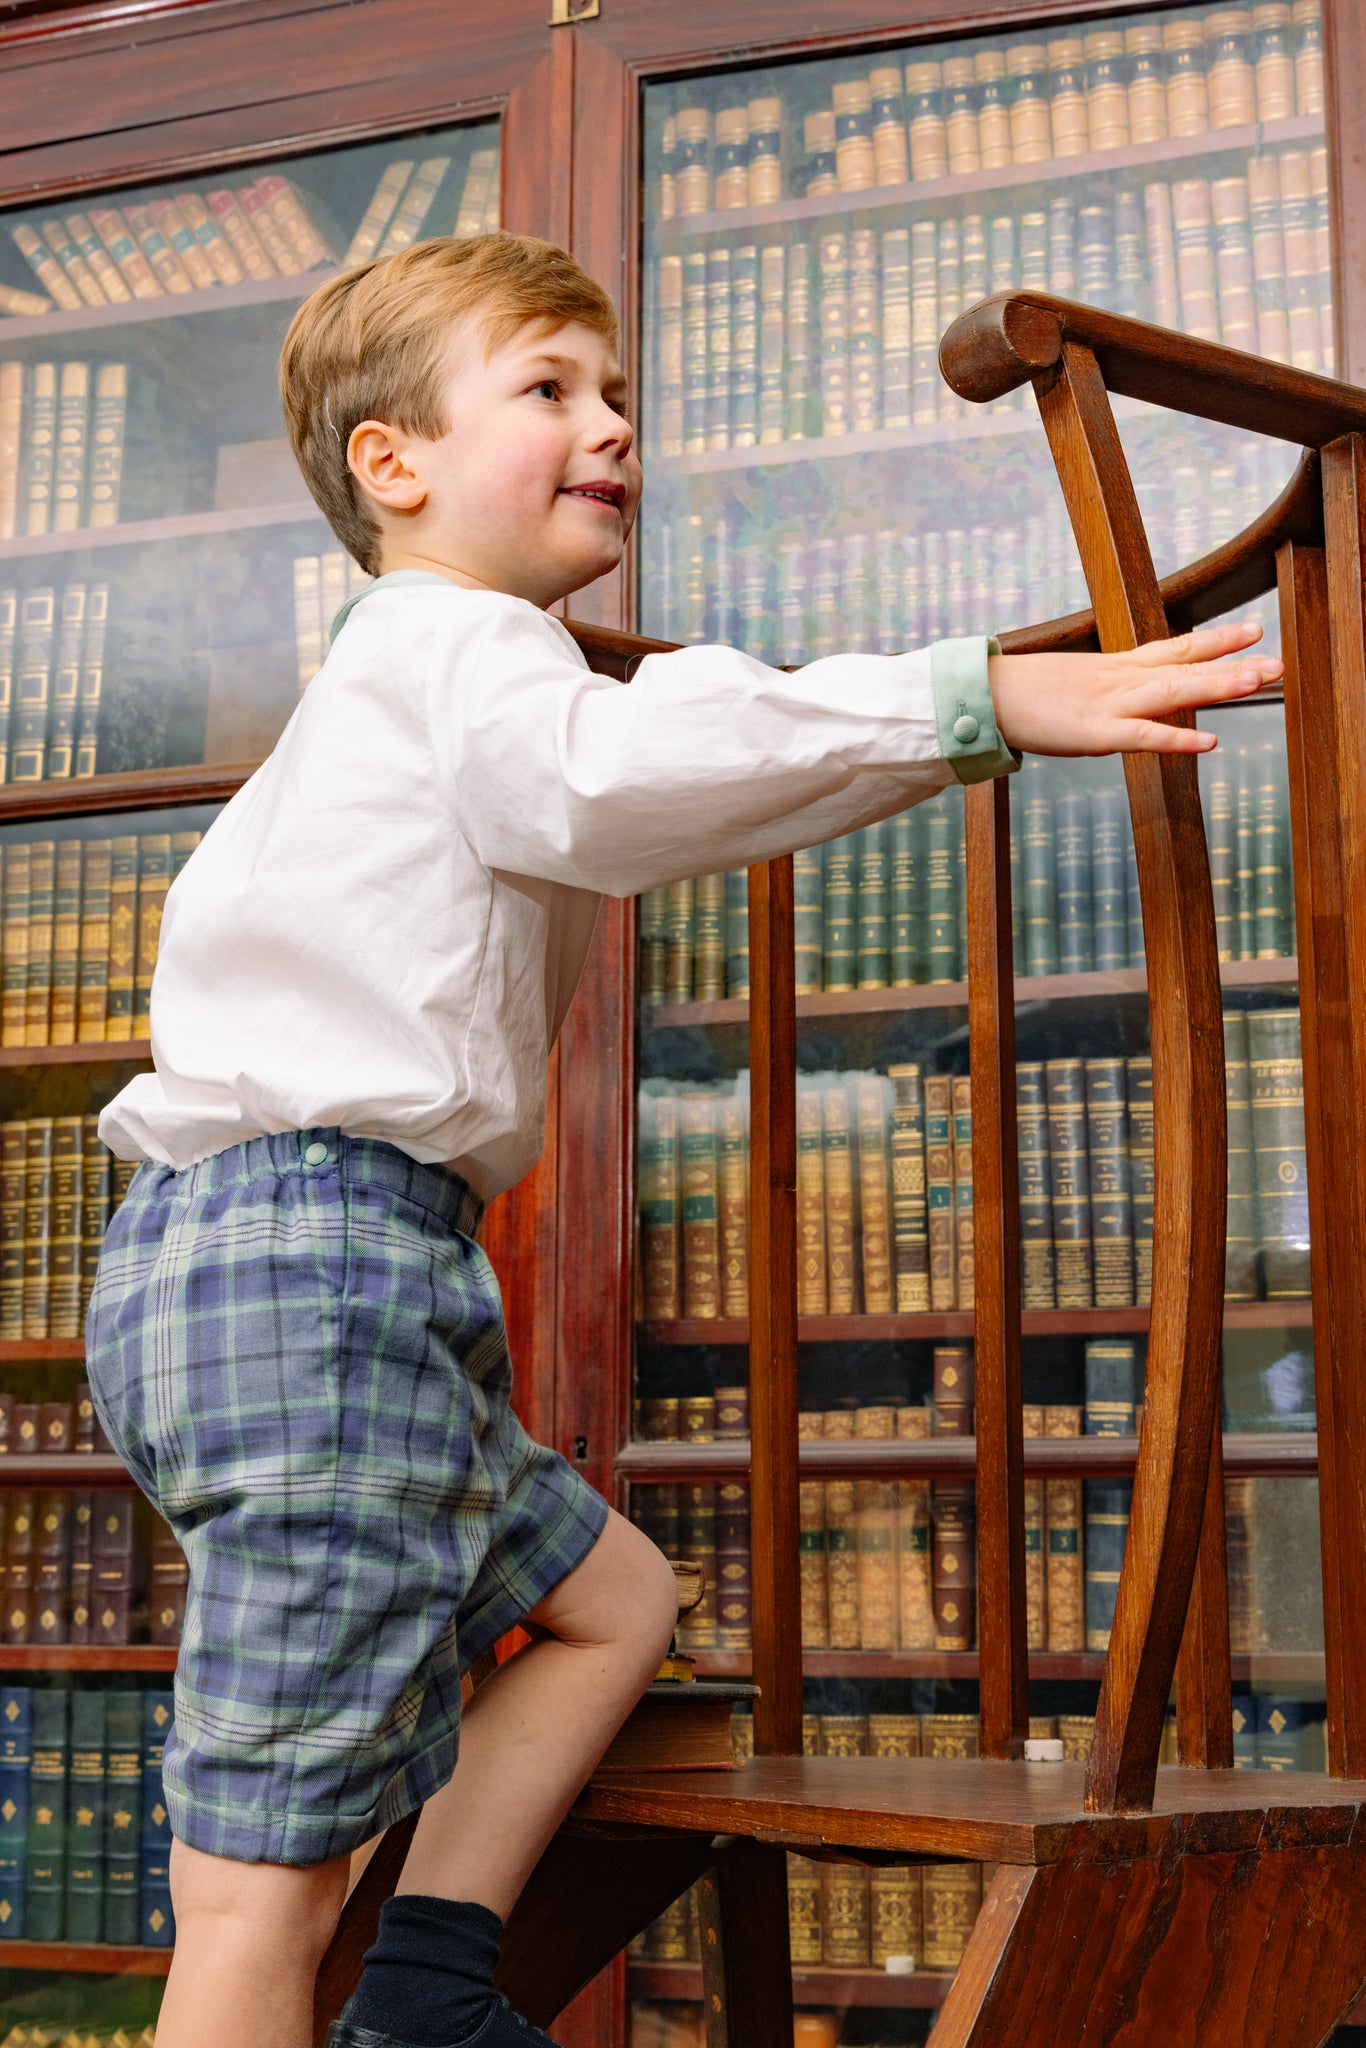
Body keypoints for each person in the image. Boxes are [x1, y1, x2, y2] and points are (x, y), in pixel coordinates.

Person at [85, 231, 1282, 2048]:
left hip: (302, 1270)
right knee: (263, 1883)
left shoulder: (432, 675)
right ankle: (343, 1973)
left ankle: (420, 1991)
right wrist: (982, 702)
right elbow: (612, 771)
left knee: (611, 1599)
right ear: (389, 466)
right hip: (313, 1266)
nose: (611, 424)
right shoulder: (453, 644)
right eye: (548, 390)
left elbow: (634, 736)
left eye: (617, 390)